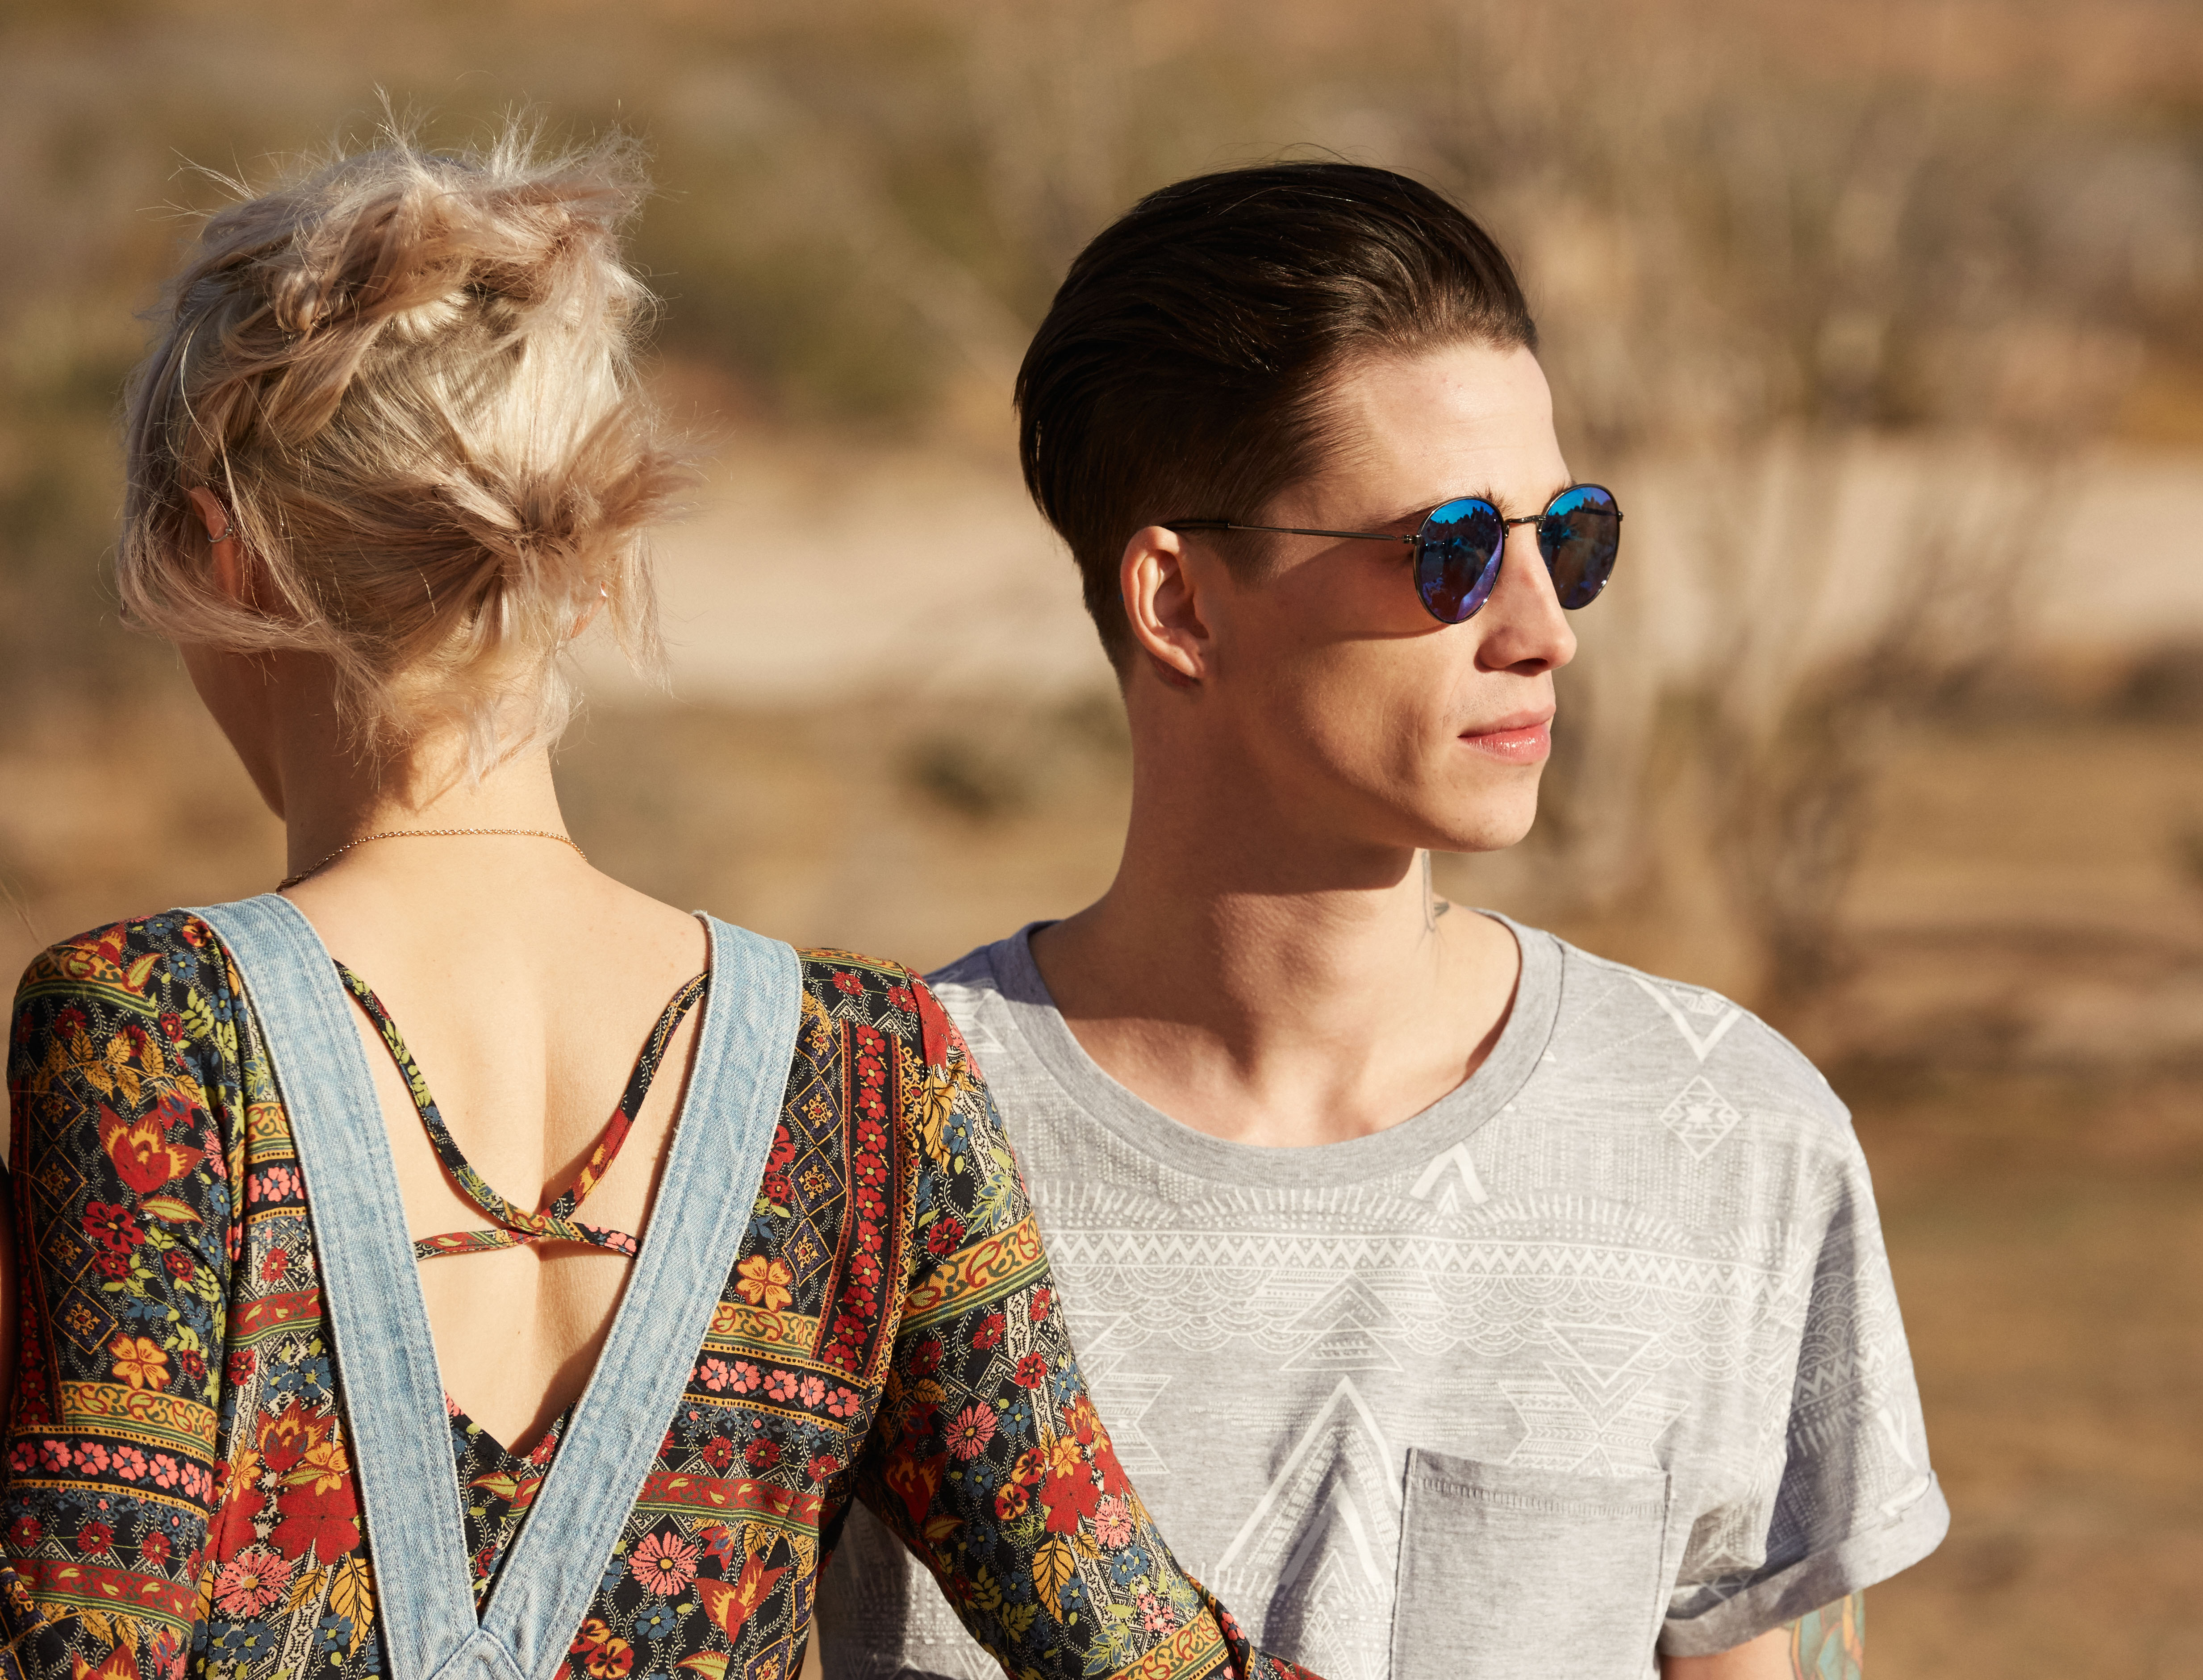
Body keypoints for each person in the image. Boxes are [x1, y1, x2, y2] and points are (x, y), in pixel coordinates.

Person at [0, 129, 1317, 1680]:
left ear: (220, 554)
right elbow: (1141, 1647)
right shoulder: (867, 1069)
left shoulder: (156, 1030)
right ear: (583, 552)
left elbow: (82, 1639)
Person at [821, 163, 1947, 1680]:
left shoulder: (1730, 1135)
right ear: (1180, 604)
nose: (1543, 628)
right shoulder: (868, 1149)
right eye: (1451, 550)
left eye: (1570, 536)